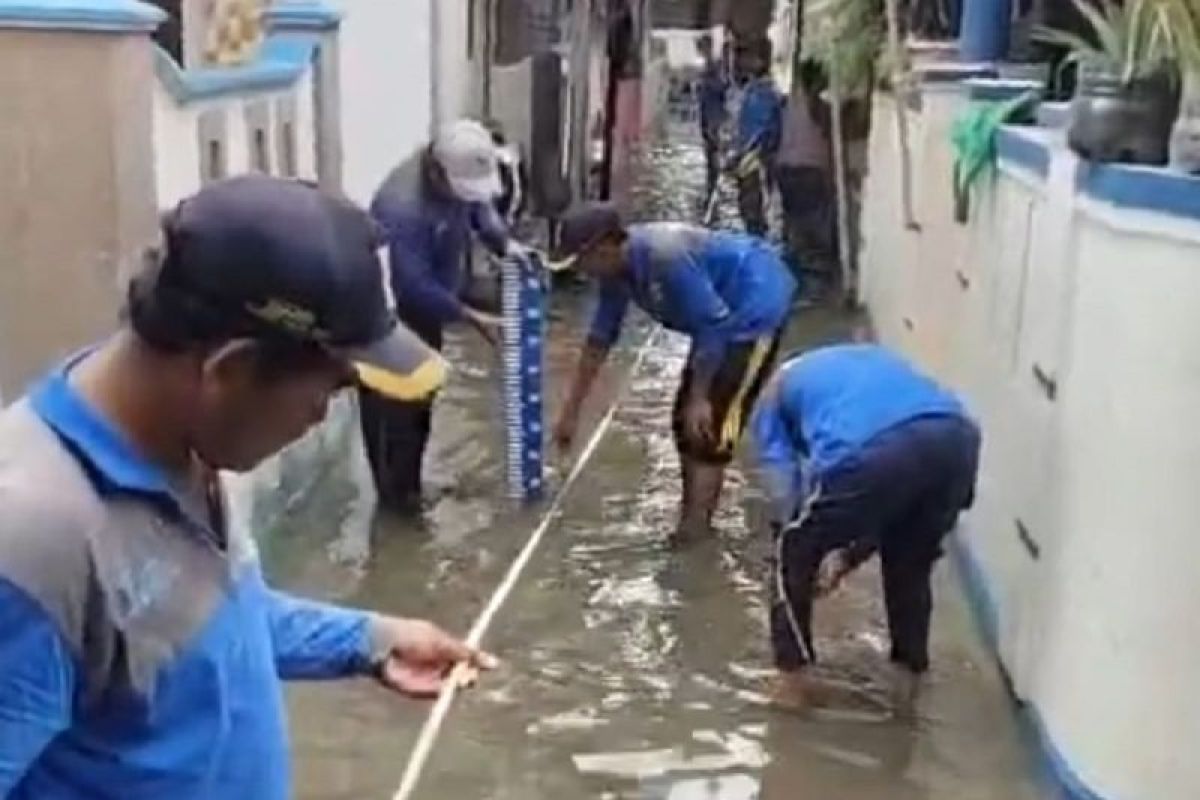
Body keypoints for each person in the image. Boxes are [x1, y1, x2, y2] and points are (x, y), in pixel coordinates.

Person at [0, 175, 495, 798]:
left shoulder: (185, 443)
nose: (321, 417)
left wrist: (367, 641)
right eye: (330, 391)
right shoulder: (31, 548)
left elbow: (199, 614)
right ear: (229, 369)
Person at [749, 344, 981, 715]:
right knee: (910, 565)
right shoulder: (863, 360)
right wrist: (844, 557)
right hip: (957, 439)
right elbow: (889, 505)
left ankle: (791, 683)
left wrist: (804, 556)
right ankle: (908, 686)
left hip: (874, 448)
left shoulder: (771, 402)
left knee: (790, 548)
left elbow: (785, 495)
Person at [551, 202, 796, 540]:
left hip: (754, 305)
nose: (580, 269)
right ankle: (691, 518)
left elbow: (714, 325)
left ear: (607, 245)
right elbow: (600, 338)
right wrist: (571, 412)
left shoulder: (665, 258)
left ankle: (695, 532)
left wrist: (700, 398)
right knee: (683, 422)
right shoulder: (615, 273)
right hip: (716, 318)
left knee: (711, 423)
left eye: (582, 259)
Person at [365, 119, 519, 511]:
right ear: (436, 171)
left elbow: (479, 211)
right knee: (395, 419)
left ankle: (412, 491)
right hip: (388, 326)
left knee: (422, 408)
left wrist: (506, 244)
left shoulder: (456, 178)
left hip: (427, 316)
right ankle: (395, 512)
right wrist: (471, 316)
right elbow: (412, 285)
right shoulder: (402, 209)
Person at [776, 58, 837, 296]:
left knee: (795, 226)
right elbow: (831, 130)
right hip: (809, 171)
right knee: (815, 227)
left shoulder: (788, 104)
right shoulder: (818, 106)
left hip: (786, 169)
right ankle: (812, 287)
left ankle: (792, 282)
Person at [731, 37, 784, 237]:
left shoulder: (763, 93)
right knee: (750, 209)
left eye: (746, 57)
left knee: (754, 210)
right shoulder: (754, 90)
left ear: (760, 61)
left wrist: (740, 154)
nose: (741, 62)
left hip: (756, 161)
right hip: (751, 160)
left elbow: (761, 132)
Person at [695, 33, 729, 199]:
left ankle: (714, 182)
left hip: (712, 114)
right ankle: (712, 181)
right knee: (710, 148)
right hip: (707, 113)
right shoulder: (707, 68)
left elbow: (722, 88)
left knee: (712, 148)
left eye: (701, 48)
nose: (700, 52)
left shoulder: (714, 68)